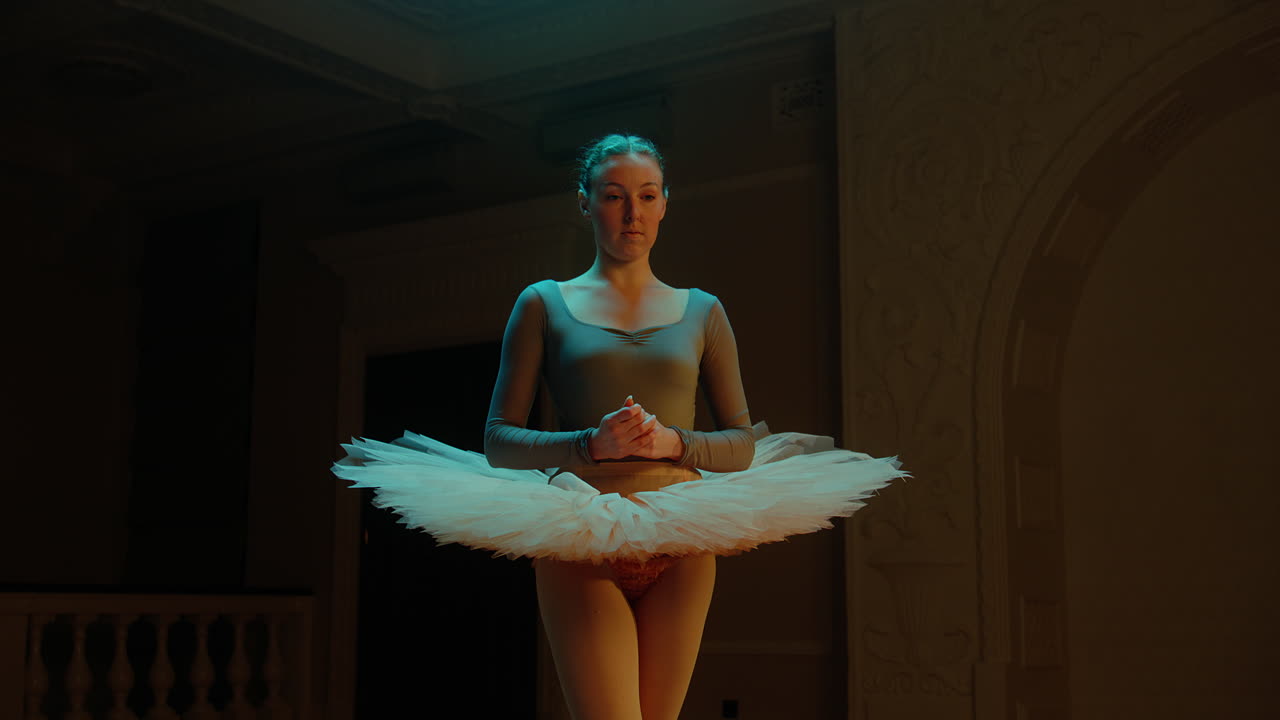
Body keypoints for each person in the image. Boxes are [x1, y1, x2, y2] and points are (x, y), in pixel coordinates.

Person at [334, 134, 906, 720]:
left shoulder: (704, 311)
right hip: (578, 535)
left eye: (646, 195)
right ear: (584, 202)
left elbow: (740, 445)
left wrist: (674, 442)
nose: (632, 213)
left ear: (664, 203)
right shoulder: (542, 303)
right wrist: (589, 444)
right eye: (613, 196)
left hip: (682, 536)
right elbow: (499, 440)